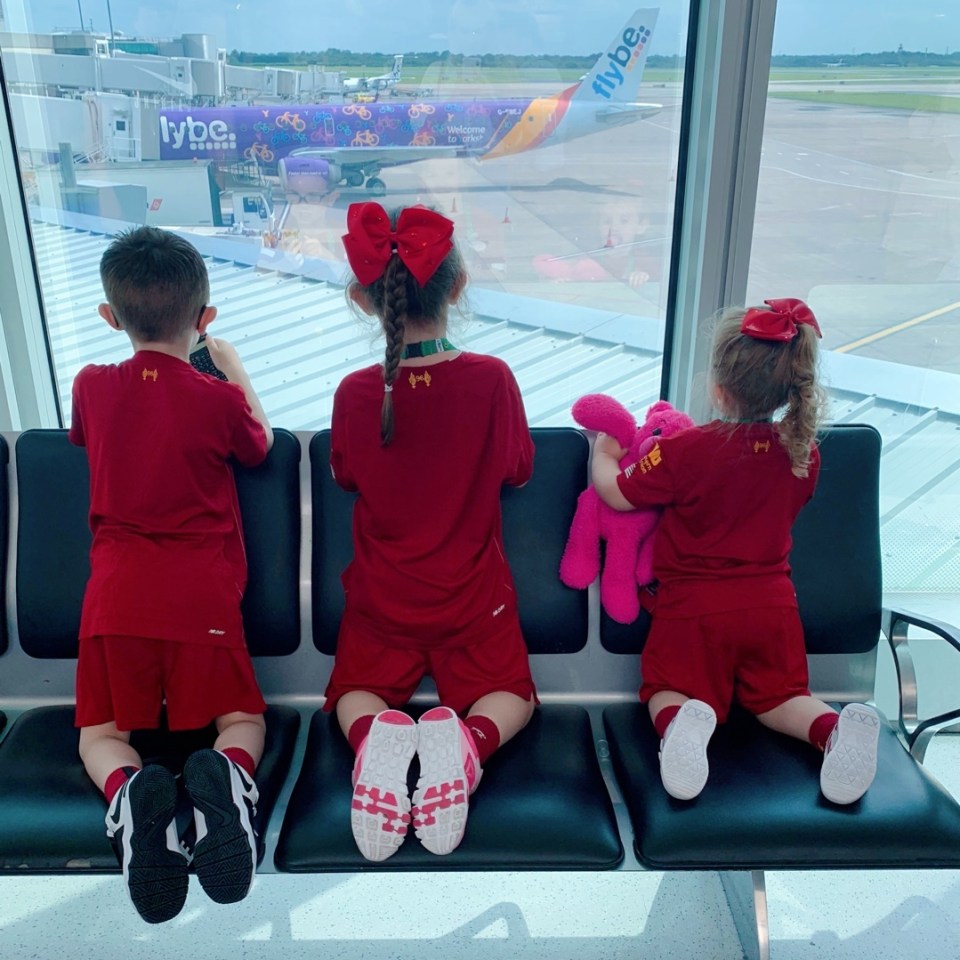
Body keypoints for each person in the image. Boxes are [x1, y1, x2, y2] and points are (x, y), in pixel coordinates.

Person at [590, 298, 881, 804]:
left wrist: (601, 452)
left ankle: (683, 727)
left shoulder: (684, 451)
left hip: (693, 610)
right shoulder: (803, 453)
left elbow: (617, 492)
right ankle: (832, 730)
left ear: (719, 389)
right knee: (783, 700)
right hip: (773, 608)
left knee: (665, 689)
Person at [69, 226, 274, 923]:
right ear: (205, 318)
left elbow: (91, 436)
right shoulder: (215, 399)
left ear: (109, 318)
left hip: (114, 599)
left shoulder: (91, 387)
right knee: (241, 717)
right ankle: (229, 777)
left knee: (99, 732)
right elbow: (261, 443)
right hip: (202, 597)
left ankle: (129, 794)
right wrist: (228, 365)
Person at [328, 201, 537, 861]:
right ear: (460, 285)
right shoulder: (491, 381)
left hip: (383, 599)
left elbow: (346, 477)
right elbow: (518, 470)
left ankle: (375, 738)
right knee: (513, 695)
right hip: (473, 598)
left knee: (351, 693)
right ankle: (466, 746)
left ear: (364, 301)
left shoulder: (355, 393)